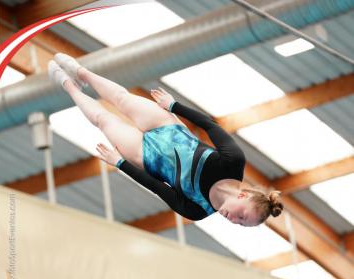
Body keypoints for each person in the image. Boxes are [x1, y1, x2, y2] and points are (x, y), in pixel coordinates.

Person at [48, 54, 283, 224]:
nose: (235, 221)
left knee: (102, 119)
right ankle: (81, 72)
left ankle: (68, 85)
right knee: (121, 99)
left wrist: (121, 163)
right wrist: (173, 105)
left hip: (145, 156)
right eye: (242, 216)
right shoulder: (232, 163)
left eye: (240, 224)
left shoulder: (198, 210)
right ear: (243, 195)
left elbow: (158, 188)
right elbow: (209, 125)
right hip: (167, 127)